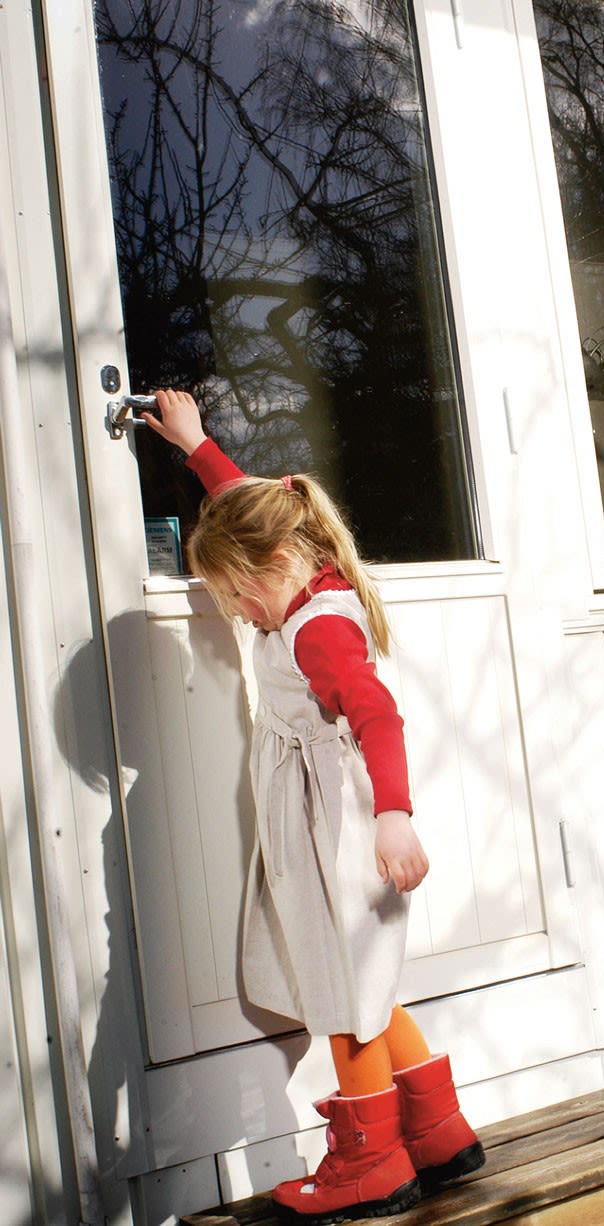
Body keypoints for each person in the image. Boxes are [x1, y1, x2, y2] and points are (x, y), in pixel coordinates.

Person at [144, 389, 484, 1220]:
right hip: (317, 817)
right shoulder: (295, 566)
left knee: (341, 990)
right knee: (362, 981)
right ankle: (436, 1130)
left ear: (271, 569)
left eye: (233, 595)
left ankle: (371, 1163)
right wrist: (198, 448)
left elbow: (376, 714)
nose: (231, 611)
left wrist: (396, 812)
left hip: (338, 829)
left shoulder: (315, 629)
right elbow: (245, 508)